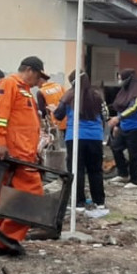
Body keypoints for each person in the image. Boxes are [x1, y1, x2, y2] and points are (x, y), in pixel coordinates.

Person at [0, 57, 51, 255]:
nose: (39, 80)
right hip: (14, 153)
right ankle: (8, 236)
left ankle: (4, 245)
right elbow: (0, 116)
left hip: (23, 153)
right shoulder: (9, 85)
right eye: (38, 75)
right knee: (32, 195)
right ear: (30, 70)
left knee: (10, 199)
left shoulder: (24, 91)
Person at [53, 71, 108, 217]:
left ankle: (78, 202)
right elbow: (106, 115)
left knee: (76, 170)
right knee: (95, 170)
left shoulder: (68, 96)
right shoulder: (97, 96)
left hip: (75, 136)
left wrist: (54, 110)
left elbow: (58, 115)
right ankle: (99, 202)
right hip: (95, 137)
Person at [109, 68, 137, 187]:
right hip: (124, 126)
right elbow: (119, 107)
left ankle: (134, 180)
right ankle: (123, 173)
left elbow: (134, 107)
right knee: (115, 147)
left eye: (121, 79)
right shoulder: (123, 92)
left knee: (134, 155)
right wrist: (117, 125)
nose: (119, 81)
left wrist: (119, 118)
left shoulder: (135, 93)